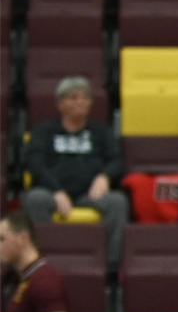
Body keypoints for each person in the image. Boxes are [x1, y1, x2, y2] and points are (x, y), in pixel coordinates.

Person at [22, 76, 129, 260]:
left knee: (117, 201)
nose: (80, 102)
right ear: (60, 104)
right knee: (34, 199)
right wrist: (56, 190)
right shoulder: (44, 130)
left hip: (90, 195)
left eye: (85, 98)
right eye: (73, 98)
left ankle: (111, 267)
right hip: (53, 194)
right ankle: (41, 262)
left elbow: (116, 160)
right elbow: (35, 163)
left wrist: (104, 176)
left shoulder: (101, 132)